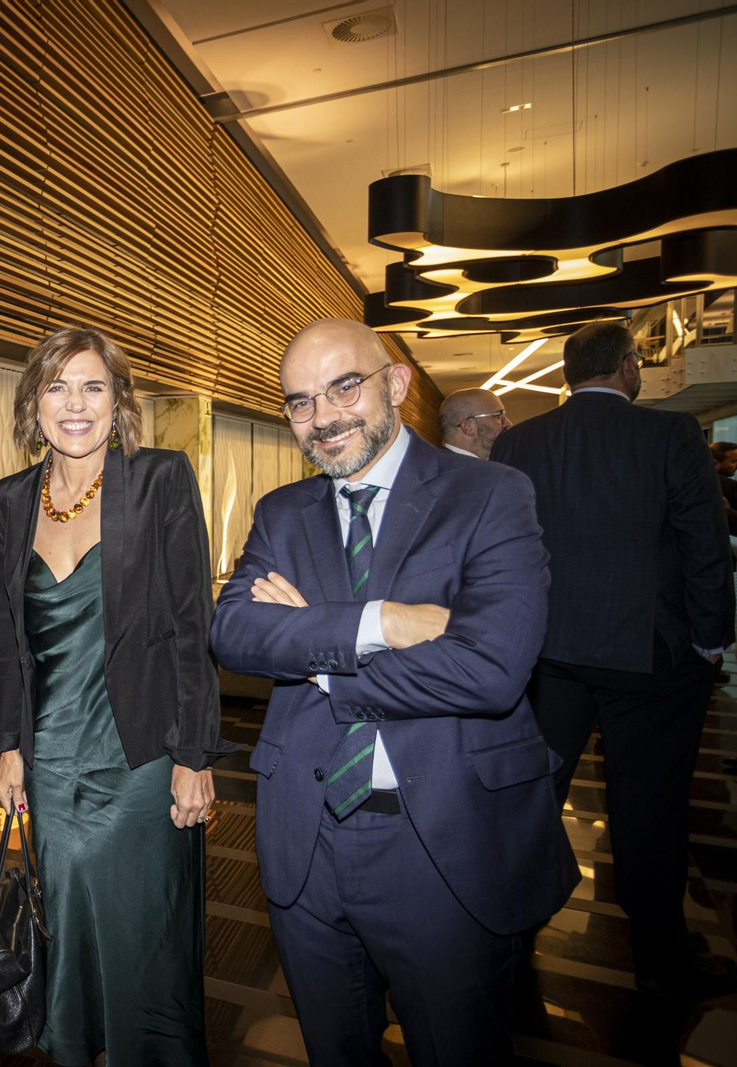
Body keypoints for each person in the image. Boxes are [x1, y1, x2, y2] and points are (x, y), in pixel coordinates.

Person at [212, 318, 577, 1067]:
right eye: (300, 401)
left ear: (397, 385)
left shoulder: (490, 495)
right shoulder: (282, 513)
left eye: (344, 386)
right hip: (304, 841)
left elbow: (490, 667)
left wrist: (312, 647)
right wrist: (384, 621)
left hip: (442, 839)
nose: (325, 416)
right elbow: (234, 634)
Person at [0, 326, 234, 1066]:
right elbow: (8, 633)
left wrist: (195, 754)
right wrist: (8, 746)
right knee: (66, 929)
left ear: (118, 401)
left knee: (141, 937)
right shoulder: (9, 500)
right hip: (53, 763)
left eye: (93, 386)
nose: (75, 404)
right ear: (33, 403)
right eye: (57, 386)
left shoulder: (159, 478)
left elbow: (194, 625)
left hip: (140, 759)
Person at [491, 321, 736, 1000]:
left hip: (547, 656)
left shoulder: (518, 441)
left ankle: (506, 942)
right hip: (648, 657)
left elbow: (503, 550)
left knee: (532, 800)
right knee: (649, 810)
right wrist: (711, 639)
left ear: (568, 374)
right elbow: (704, 544)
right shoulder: (672, 435)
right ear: (630, 367)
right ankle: (659, 957)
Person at [437, 387, 510, 459]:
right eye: (498, 416)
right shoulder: (487, 470)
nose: (508, 423)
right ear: (468, 426)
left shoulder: (434, 465)